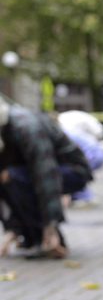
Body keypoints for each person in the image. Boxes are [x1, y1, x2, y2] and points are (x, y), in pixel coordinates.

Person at [0, 100, 91, 258]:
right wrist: (11, 227)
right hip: (35, 172)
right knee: (8, 177)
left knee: (14, 177)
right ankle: (29, 236)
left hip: (72, 171)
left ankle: (46, 238)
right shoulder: (6, 129)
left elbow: (46, 175)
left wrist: (51, 225)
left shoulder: (27, 127)